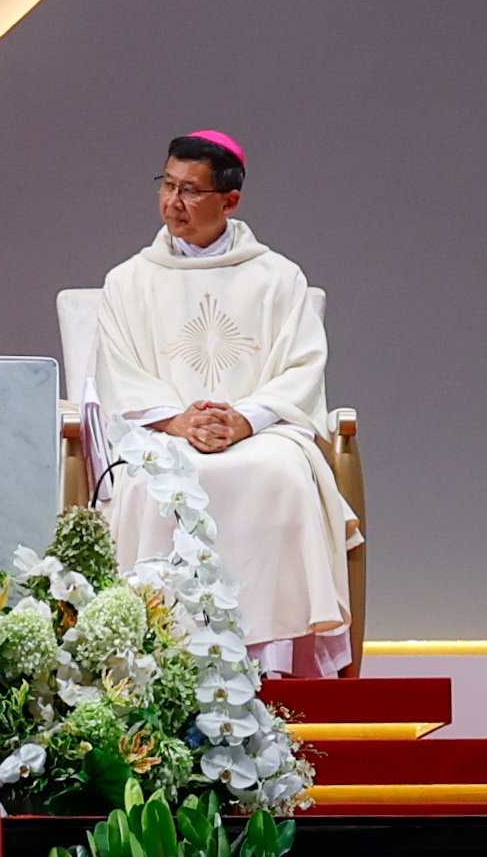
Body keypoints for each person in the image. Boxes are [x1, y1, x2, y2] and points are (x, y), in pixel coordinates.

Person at [93, 131, 359, 676]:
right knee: (151, 480)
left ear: (229, 201)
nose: (173, 202)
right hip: (165, 435)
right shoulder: (129, 281)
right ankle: (156, 662)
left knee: (283, 475)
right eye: (166, 186)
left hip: (260, 436)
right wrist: (179, 420)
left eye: (190, 191)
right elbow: (119, 372)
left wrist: (243, 419)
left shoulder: (279, 277)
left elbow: (303, 367)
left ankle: (273, 663)